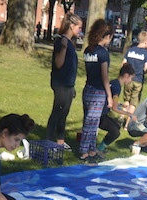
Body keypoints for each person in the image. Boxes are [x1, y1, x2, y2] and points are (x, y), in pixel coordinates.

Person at [77, 19, 114, 164]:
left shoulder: (88, 50)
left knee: (91, 121)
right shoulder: (103, 53)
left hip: (88, 89)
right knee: (91, 123)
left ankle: (91, 149)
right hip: (98, 91)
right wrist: (109, 96)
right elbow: (104, 76)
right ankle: (84, 152)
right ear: (107, 36)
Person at [46, 12, 83, 148]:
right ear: (71, 26)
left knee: (64, 113)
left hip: (68, 84)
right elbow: (59, 63)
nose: (80, 30)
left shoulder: (70, 43)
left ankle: (60, 141)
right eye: (79, 27)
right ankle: (49, 141)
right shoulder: (61, 42)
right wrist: (63, 47)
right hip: (60, 83)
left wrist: (72, 86)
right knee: (57, 111)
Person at [97, 63, 136, 153]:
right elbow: (114, 108)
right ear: (126, 75)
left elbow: (110, 101)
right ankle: (99, 149)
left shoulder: (113, 82)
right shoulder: (117, 87)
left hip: (101, 111)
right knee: (115, 132)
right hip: (101, 115)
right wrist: (129, 114)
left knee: (116, 126)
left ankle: (100, 147)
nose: (131, 80)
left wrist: (121, 105)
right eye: (131, 78)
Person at [121, 31, 147, 106]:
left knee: (127, 99)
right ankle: (129, 117)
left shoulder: (130, 50)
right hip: (138, 79)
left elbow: (123, 64)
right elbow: (146, 67)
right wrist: (144, 71)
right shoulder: (146, 53)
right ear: (146, 42)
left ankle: (122, 115)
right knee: (134, 102)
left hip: (128, 79)